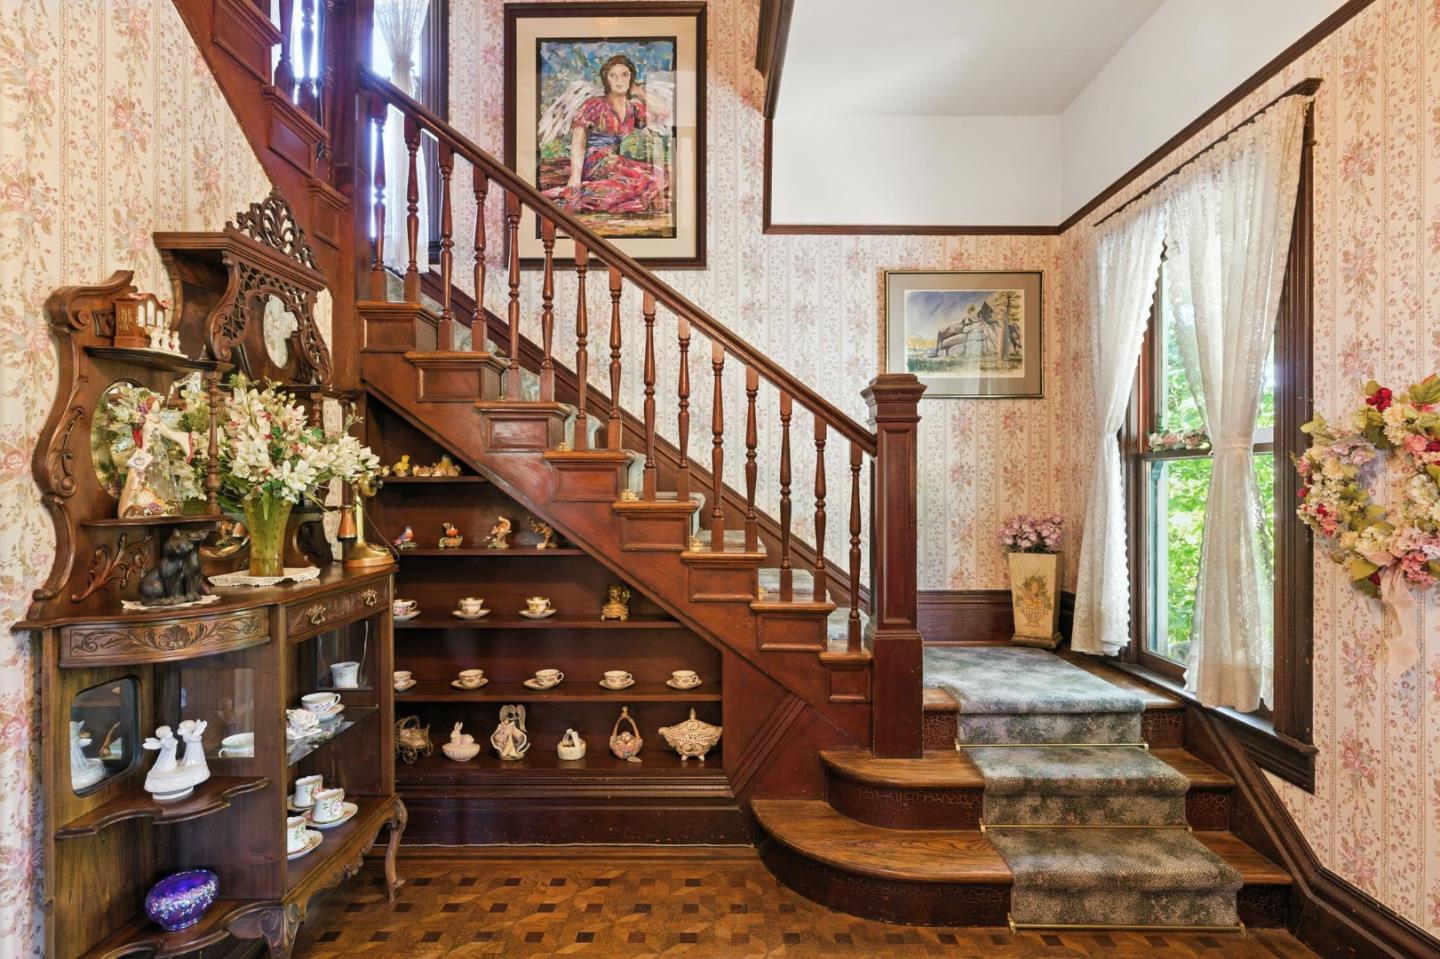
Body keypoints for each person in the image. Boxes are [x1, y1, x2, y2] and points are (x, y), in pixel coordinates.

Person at [544, 54, 667, 215]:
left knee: (659, 174)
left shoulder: (632, 109)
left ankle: (598, 193)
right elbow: (578, 142)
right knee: (641, 180)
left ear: (631, 78)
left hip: (614, 161)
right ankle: (574, 195)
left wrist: (638, 90)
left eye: (625, 75)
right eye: (613, 75)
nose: (619, 80)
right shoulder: (595, 105)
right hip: (595, 161)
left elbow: (663, 112)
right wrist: (575, 177)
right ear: (606, 79)